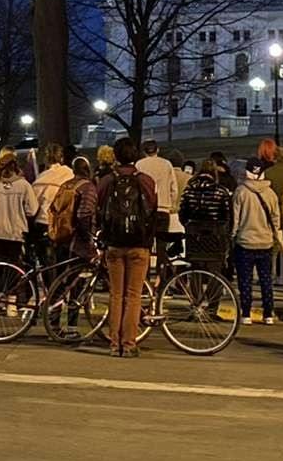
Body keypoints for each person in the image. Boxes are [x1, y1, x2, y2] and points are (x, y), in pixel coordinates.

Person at [96, 137, 158, 358]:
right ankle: (129, 343)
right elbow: (152, 207)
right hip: (139, 244)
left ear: (116, 156)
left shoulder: (106, 181)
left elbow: (99, 207)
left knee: (116, 294)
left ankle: (114, 344)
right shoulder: (146, 180)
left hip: (114, 243)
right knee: (133, 295)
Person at [0, 150, 39, 302]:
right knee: (12, 269)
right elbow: (32, 209)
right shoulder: (24, 185)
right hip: (15, 234)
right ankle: (11, 300)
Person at [231, 159, 280, 324]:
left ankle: (246, 313)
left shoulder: (241, 192)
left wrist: (233, 236)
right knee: (266, 280)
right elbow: (276, 218)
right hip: (265, 242)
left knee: (245, 281)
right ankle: (268, 313)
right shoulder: (270, 193)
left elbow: (235, 220)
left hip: (245, 242)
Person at [179, 161, 231, 278]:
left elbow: (182, 213)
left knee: (195, 266)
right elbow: (227, 215)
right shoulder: (220, 191)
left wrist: (188, 225)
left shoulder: (189, 189)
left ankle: (195, 294)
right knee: (216, 269)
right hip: (215, 234)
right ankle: (213, 294)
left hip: (193, 234)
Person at [138, 139, 182, 269]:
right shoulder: (167, 164)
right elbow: (174, 188)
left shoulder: (139, 165)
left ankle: (144, 279)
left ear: (144, 151)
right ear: (158, 150)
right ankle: (161, 278)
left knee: (145, 246)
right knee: (162, 247)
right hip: (163, 209)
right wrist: (172, 204)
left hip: (145, 211)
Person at [31, 144, 74, 268]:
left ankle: (48, 285)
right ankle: (60, 285)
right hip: (62, 223)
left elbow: (33, 205)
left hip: (43, 222)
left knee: (45, 261)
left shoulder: (41, 179)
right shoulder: (69, 175)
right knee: (62, 260)